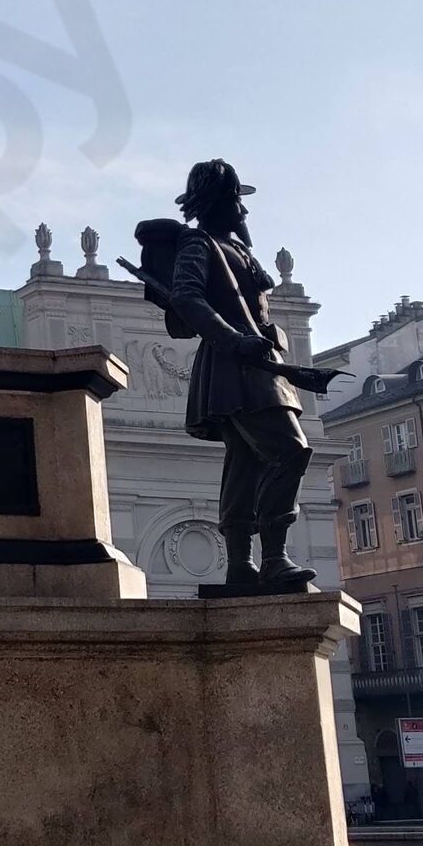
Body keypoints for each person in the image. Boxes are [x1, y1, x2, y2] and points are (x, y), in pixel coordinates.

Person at [146, 161, 335, 591]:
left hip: (257, 365)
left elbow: (253, 306)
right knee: (291, 450)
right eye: (236, 201)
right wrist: (234, 340)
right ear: (218, 203)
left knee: (245, 466)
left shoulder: (238, 251)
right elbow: (188, 300)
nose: (244, 212)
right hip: (236, 369)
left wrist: (267, 331)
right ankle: (274, 557)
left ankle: (239, 565)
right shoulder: (199, 244)